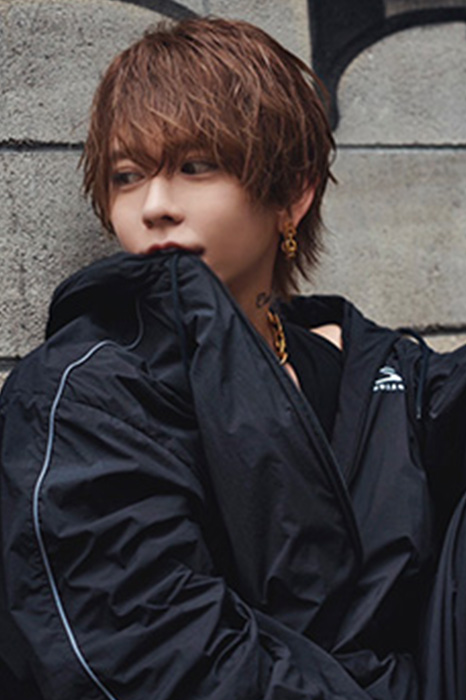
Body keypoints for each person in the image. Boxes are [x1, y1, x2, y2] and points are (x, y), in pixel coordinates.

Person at [0, 16, 465, 700]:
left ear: (293, 194)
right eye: (127, 176)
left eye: (195, 167)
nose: (155, 206)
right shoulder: (83, 396)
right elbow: (156, 655)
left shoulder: (381, 371)